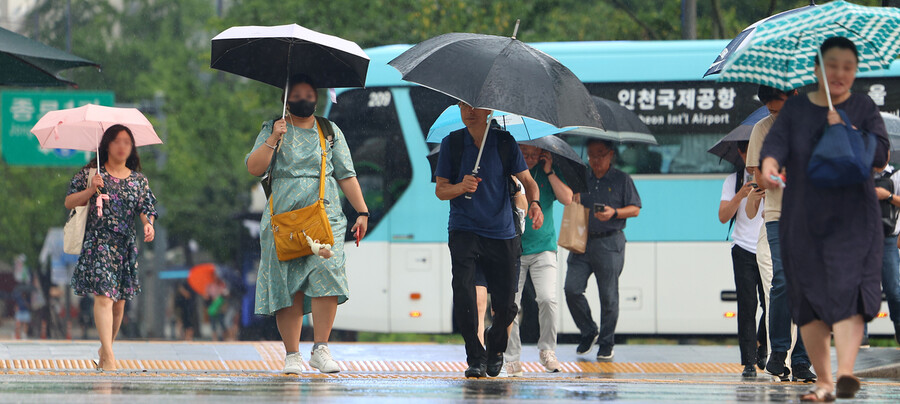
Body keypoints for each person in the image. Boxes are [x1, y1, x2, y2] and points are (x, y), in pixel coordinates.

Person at [760, 37, 890, 401]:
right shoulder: (796, 110)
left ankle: (846, 372)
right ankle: (824, 382)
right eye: (833, 65)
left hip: (855, 219)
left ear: (855, 71)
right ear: (817, 69)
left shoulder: (863, 107)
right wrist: (770, 166)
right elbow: (775, 148)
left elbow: (880, 155)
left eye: (848, 67)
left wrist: (846, 129)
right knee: (809, 296)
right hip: (805, 217)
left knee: (852, 290)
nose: (840, 73)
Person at [246, 75, 369, 375]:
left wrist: (362, 212)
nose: (304, 98)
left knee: (327, 274)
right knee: (288, 285)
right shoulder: (273, 128)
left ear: (316, 97)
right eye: (297, 94)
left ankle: (321, 349)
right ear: (286, 99)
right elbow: (254, 167)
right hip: (283, 220)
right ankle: (292, 354)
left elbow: (346, 174)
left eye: (309, 93)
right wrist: (273, 138)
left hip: (325, 217)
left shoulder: (328, 130)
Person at [434, 102, 543, 378]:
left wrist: (535, 204)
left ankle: (496, 348)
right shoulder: (453, 143)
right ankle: (475, 357)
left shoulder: (505, 142)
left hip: (501, 231)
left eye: (474, 107)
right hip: (464, 229)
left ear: (488, 111)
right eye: (462, 106)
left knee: (507, 304)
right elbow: (441, 190)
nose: (468, 111)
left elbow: (529, 182)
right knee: (464, 293)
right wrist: (462, 186)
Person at [64, 124, 158, 371]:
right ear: (107, 145)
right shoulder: (92, 174)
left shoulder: (139, 180)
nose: (122, 146)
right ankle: (109, 358)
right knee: (104, 297)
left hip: (125, 245)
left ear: (132, 148)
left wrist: (148, 225)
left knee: (119, 303)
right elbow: (69, 202)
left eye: (127, 141)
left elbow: (146, 208)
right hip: (99, 243)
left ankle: (106, 350)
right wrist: (91, 189)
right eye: (116, 141)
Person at [745, 85, 816, 383]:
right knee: (784, 279)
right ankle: (778, 354)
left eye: (780, 108)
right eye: (772, 110)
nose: (776, 115)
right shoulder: (763, 129)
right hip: (778, 214)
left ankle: (801, 360)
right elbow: (756, 172)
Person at [565, 139, 641, 360]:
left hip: (610, 242)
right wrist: (574, 198)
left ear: (611, 155)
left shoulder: (622, 179)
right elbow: (569, 200)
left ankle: (607, 342)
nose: (595, 160)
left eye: (600, 154)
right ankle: (589, 330)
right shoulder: (582, 177)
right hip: (582, 241)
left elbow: (635, 209)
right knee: (572, 289)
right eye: (591, 155)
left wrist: (614, 213)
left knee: (608, 296)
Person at [505, 144, 573, 376]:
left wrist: (550, 170)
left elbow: (567, 198)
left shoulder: (546, 174)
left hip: (544, 248)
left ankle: (547, 350)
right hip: (515, 249)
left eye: (535, 155)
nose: (531, 159)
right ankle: (512, 357)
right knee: (512, 305)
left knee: (547, 298)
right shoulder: (509, 174)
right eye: (525, 154)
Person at [718, 141, 767, 378]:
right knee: (747, 306)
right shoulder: (733, 181)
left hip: (768, 248)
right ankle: (749, 361)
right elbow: (722, 217)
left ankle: (763, 345)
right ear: (741, 152)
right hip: (743, 249)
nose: (754, 156)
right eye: (749, 151)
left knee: (771, 304)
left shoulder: (771, 175)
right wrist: (740, 194)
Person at [872, 159, 900, 345]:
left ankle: (898, 329)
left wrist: (887, 196)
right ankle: (861, 339)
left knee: (893, 289)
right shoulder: (860, 173)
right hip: (862, 238)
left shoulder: (897, 175)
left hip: (889, 238)